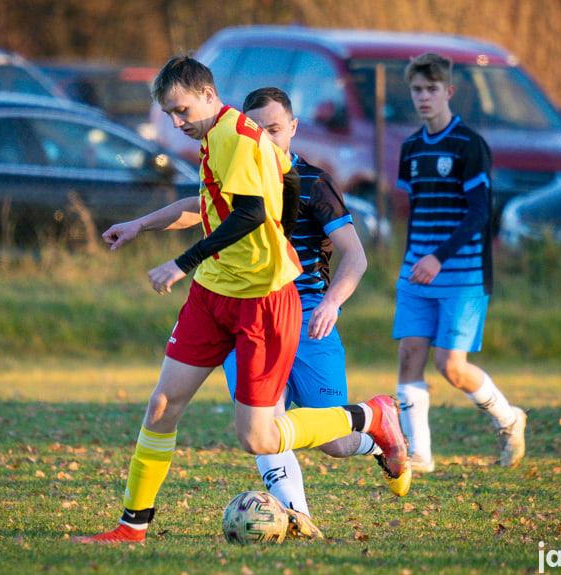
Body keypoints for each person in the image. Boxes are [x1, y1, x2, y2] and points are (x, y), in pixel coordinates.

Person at [73, 56, 409, 545]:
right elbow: (206, 206)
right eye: (169, 114)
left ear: (209, 96)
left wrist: (180, 263)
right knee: (162, 404)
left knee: (259, 436)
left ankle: (373, 416)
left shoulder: (239, 139)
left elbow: (250, 213)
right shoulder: (216, 136)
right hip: (212, 295)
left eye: (182, 110)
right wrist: (141, 225)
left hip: (262, 303)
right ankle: (132, 527)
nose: (176, 123)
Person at [222, 87, 378, 533]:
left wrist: (331, 303)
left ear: (292, 128)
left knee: (335, 443)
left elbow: (356, 256)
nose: (266, 140)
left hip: (308, 315)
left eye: (275, 129)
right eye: (256, 131)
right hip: (250, 317)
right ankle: (298, 516)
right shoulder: (235, 180)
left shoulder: (314, 183)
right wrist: (142, 224)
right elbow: (195, 212)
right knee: (260, 422)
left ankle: (377, 430)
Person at [393, 53, 526, 474]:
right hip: (417, 271)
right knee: (409, 356)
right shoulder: (411, 148)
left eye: (432, 89)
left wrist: (438, 256)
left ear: (448, 91)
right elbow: (414, 209)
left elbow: (479, 212)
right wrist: (415, 258)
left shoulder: (469, 145)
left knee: (450, 366)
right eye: (417, 89)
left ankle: (509, 418)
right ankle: (419, 454)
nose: (424, 97)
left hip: (462, 273)